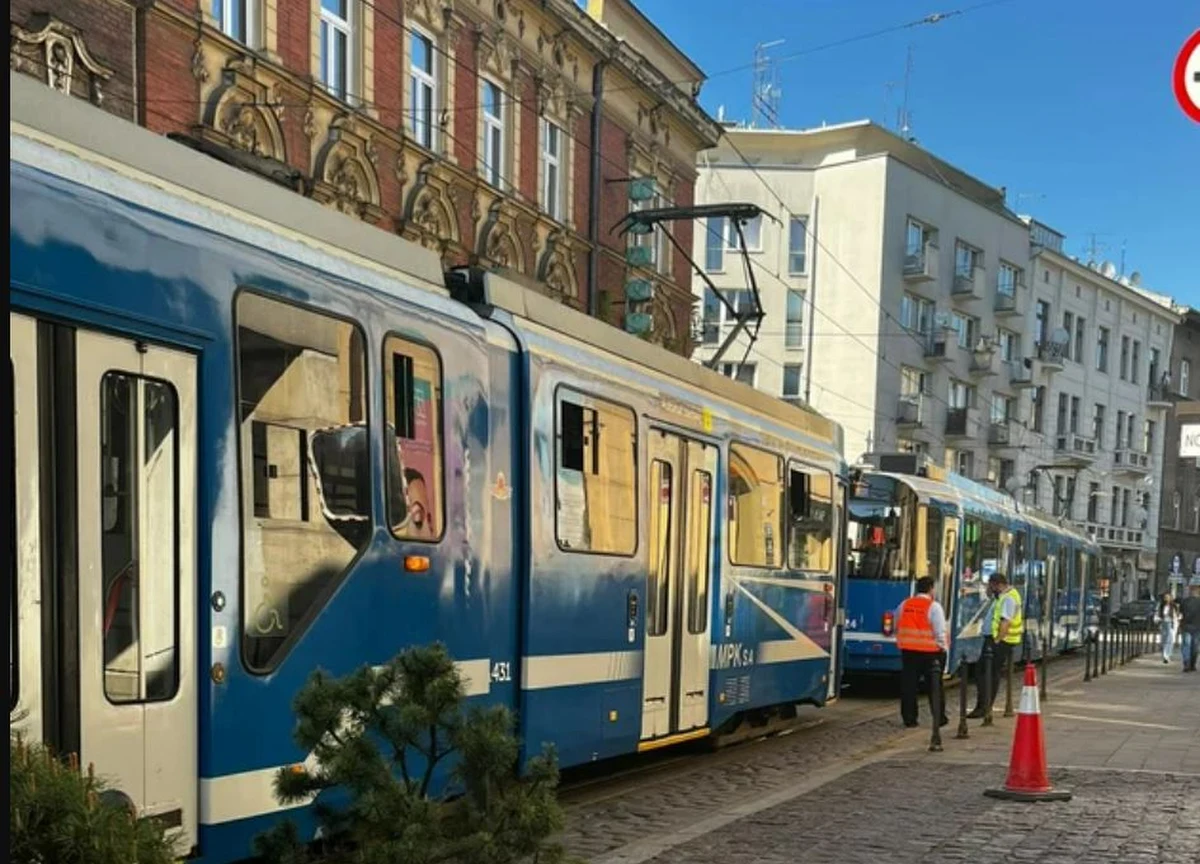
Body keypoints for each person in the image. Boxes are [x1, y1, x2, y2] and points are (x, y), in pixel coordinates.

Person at [894, 576, 950, 729]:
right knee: (934, 687)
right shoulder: (934, 607)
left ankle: (909, 719)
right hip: (930, 653)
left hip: (908, 651)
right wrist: (943, 648)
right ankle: (939, 718)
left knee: (909, 686)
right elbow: (940, 631)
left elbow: (896, 622)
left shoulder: (905, 604)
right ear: (931, 588)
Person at [968, 572, 1022, 718]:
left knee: (985, 672)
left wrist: (997, 640)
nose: (989, 589)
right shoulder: (1003, 596)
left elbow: (1005, 622)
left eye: (991, 586)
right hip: (997, 640)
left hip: (999, 641)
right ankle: (984, 706)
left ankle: (984, 707)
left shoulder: (1008, 598)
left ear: (997, 584)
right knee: (988, 672)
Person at [1154, 591, 1180, 665]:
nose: (1167, 599)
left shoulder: (1174, 606)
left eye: (1168, 597)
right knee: (1164, 639)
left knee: (1170, 639)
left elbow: (1177, 615)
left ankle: (1167, 655)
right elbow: (1157, 614)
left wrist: (1177, 620)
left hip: (1171, 623)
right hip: (1163, 623)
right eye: (1165, 598)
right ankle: (1165, 654)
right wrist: (1157, 619)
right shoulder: (1161, 605)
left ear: (1171, 598)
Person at [1180, 583, 1200, 673]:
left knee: (1186, 645)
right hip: (1197, 627)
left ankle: (1186, 663)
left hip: (1186, 626)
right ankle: (1192, 664)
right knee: (1194, 646)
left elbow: (1181, 613)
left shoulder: (1184, 601)